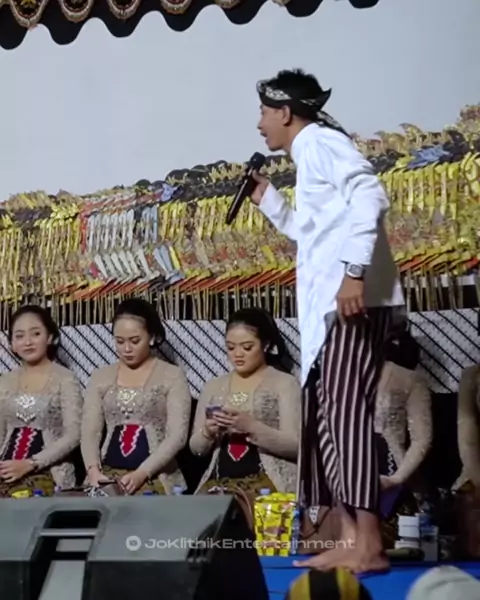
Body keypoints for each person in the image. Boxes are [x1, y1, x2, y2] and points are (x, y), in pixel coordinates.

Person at [251, 69, 404, 573]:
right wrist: (270, 201)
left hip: (351, 303)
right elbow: (313, 232)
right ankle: (349, 537)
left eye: (264, 113)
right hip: (332, 308)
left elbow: (370, 195)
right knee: (327, 416)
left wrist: (354, 273)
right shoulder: (309, 153)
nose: (260, 124)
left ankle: (369, 543)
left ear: (285, 112)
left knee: (345, 415)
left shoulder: (320, 142)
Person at [81, 298, 191, 495]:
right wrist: (93, 471)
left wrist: (142, 473)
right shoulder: (100, 377)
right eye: (119, 341)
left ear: (151, 337)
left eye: (134, 341)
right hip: (106, 475)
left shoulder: (172, 375)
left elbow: (177, 436)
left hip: (155, 477)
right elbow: (90, 431)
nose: (127, 349)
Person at [190, 307, 301, 495]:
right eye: (230, 347)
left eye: (247, 347)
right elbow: (196, 449)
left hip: (269, 485)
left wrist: (252, 427)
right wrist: (208, 432)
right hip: (218, 483)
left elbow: (296, 446)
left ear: (266, 344)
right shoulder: (213, 386)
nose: (237, 354)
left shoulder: (285, 383)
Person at [0, 305, 82, 496]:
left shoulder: (65, 379)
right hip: (6, 468)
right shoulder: (5, 382)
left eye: (36, 334)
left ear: (50, 337)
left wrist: (31, 463)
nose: (28, 342)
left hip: (47, 474)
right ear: (12, 344)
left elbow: (74, 434)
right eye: (19, 336)